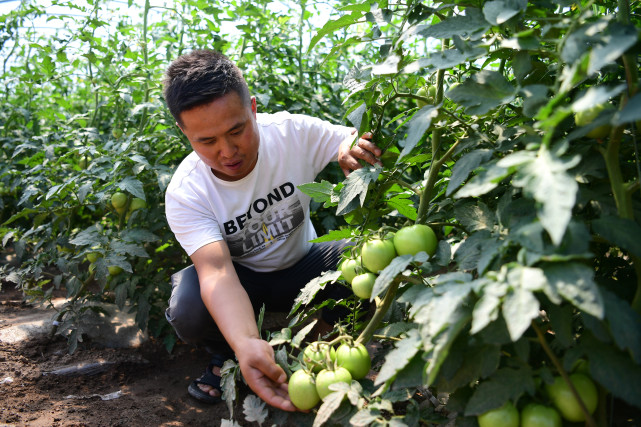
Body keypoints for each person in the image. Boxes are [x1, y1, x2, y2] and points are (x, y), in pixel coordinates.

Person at [162, 49, 381, 412]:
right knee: (189, 307)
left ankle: (329, 338)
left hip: (305, 263)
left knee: (366, 258)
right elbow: (217, 273)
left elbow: (347, 139)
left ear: (253, 109)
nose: (227, 151)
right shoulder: (187, 192)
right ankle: (226, 354)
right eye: (206, 141)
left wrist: (349, 148)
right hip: (242, 280)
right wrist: (247, 341)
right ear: (184, 133)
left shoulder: (290, 133)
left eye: (237, 130)